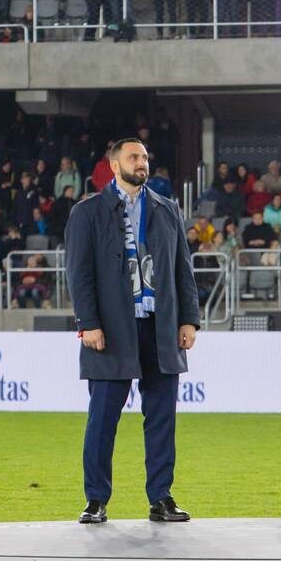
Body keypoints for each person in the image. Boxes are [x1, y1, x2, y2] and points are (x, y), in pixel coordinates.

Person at [65, 138, 200, 525]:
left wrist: (188, 318)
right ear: (113, 164)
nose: (142, 162)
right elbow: (78, 273)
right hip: (110, 330)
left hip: (160, 327)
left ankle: (161, 497)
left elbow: (182, 269)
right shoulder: (87, 211)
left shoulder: (166, 208)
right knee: (103, 419)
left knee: (162, 419)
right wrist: (87, 323)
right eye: (134, 157)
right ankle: (96, 499)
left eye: (145, 156)